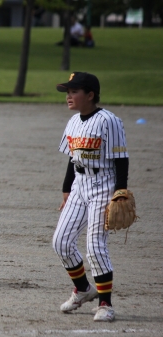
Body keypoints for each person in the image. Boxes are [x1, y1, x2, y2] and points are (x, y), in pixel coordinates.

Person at [53, 72, 130, 322]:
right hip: (79, 184)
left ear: (90, 95)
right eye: (68, 92)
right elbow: (71, 157)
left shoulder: (109, 121)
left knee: (95, 246)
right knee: (61, 241)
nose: (69, 96)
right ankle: (84, 289)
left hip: (103, 185)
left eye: (74, 91)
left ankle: (105, 304)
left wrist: (120, 191)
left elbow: (121, 158)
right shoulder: (74, 121)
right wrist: (67, 190)